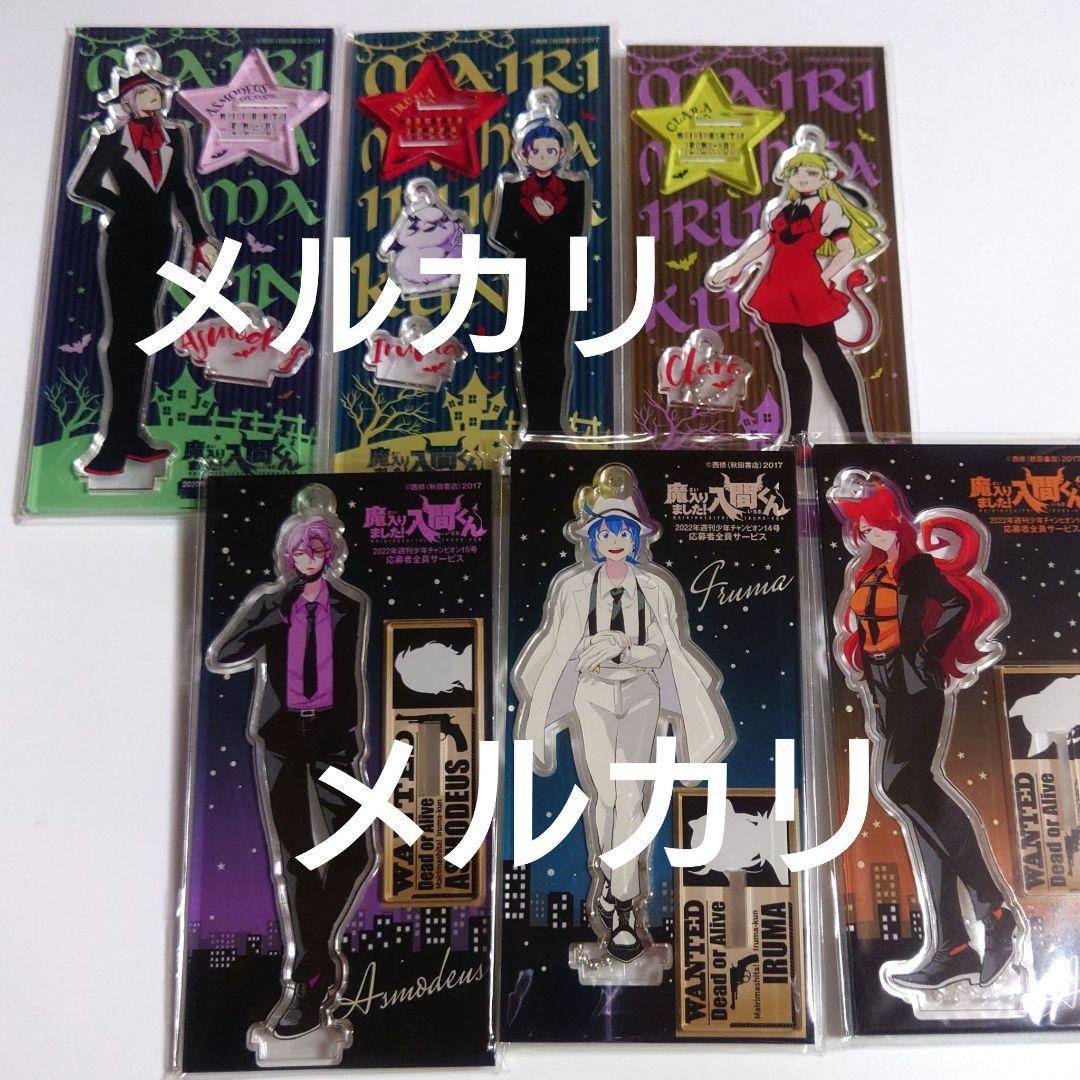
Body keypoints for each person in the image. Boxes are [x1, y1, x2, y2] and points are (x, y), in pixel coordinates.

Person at [512, 464, 732, 963]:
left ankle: (623, 905)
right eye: (606, 532)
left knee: (629, 794)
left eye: (624, 532)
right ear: (593, 538)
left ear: (637, 539)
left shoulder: (654, 588)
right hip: (591, 695)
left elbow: (664, 647)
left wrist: (623, 649)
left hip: (641, 695)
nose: (615, 541)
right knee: (607, 796)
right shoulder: (573, 589)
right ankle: (614, 891)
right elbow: (562, 648)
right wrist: (594, 653)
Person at [830, 471, 1022, 992]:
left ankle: (993, 907)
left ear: (894, 522)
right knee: (919, 812)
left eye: (876, 525)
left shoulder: (916, 568)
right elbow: (866, 627)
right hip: (883, 683)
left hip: (915, 684)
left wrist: (924, 651)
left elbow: (958, 604)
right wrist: (874, 674)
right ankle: (952, 946)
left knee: (901, 785)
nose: (870, 534)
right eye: (862, 528)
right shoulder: (872, 571)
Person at [206, 486, 372, 1039]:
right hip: (281, 739)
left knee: (356, 852)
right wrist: (269, 621)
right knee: (298, 858)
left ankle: (316, 952)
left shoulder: (350, 605)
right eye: (300, 550)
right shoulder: (270, 605)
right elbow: (223, 654)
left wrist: (353, 736)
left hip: (333, 738)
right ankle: (308, 981)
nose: (308, 558)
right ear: (288, 555)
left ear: (330, 553)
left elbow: (349, 673)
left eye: (317, 549)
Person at [68, 46, 219, 478]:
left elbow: (184, 190)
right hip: (123, 242)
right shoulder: (111, 139)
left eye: (159, 92)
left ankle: (131, 434)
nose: (156, 98)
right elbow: (82, 186)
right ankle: (113, 443)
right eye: (148, 93)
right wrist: (122, 206)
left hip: (160, 241)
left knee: (145, 333)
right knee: (123, 335)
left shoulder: (176, 137)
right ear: (130, 100)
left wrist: (200, 237)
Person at [706, 126, 883, 441]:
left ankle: (859, 436)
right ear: (788, 176)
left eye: (811, 172)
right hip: (776, 288)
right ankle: (796, 436)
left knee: (829, 356)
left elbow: (846, 249)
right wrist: (735, 266)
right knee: (789, 361)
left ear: (824, 179)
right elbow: (766, 243)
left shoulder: (828, 208)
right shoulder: (780, 210)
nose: (802, 177)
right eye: (797, 171)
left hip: (807, 290)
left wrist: (825, 277)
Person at [489, 102, 588, 434]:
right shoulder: (513, 188)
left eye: (550, 150)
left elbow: (577, 233)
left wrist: (548, 219)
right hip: (525, 273)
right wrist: (533, 227)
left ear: (561, 152)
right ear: (524, 153)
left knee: (558, 350)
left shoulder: (575, 188)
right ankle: (533, 423)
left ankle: (554, 423)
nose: (543, 156)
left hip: (564, 274)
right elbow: (501, 234)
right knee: (528, 350)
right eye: (536, 151)